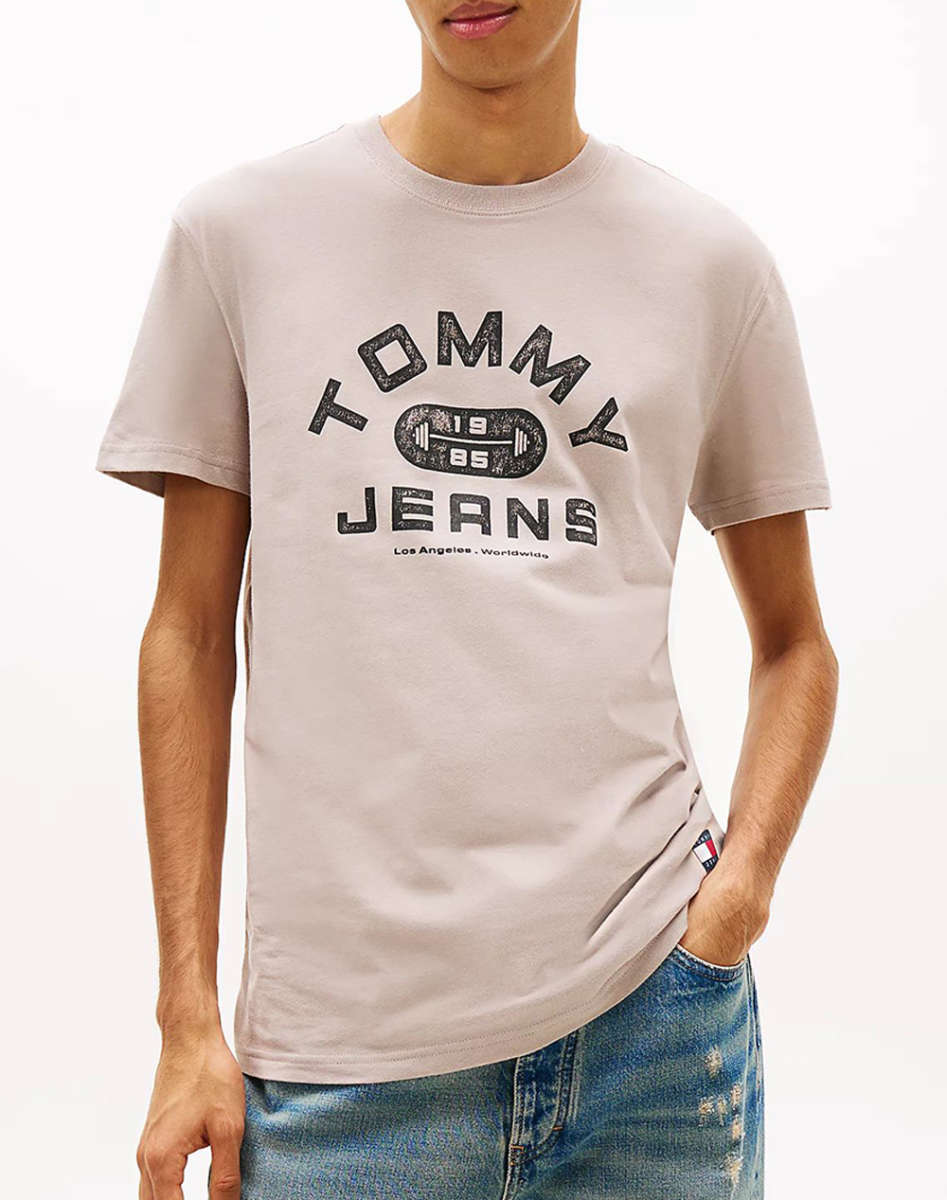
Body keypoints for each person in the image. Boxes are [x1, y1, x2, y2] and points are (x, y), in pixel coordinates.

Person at [96, 1, 838, 1196]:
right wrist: (186, 1016)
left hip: (656, 1024)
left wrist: (735, 898)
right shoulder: (244, 236)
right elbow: (184, 635)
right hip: (344, 1072)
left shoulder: (707, 266)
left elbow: (795, 642)